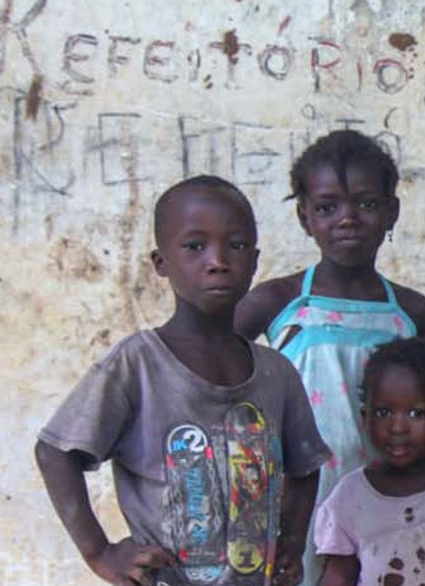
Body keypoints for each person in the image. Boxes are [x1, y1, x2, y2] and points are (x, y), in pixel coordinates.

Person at [36, 176, 329, 586]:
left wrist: (292, 542)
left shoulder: (275, 373)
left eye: (237, 245)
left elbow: (306, 465)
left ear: (256, 259)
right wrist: (100, 553)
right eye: (195, 247)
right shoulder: (137, 364)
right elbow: (55, 452)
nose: (218, 260)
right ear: (161, 263)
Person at [233, 129, 425, 585]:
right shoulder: (278, 301)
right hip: (298, 501)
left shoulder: (411, 312)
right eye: (327, 207)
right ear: (304, 217)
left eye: (367, 204)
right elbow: (213, 376)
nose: (348, 219)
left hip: (389, 500)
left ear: (391, 211)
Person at [311, 337, 425, 586]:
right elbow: (338, 577)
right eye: (383, 413)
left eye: (416, 413)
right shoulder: (349, 498)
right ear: (365, 418)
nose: (397, 427)